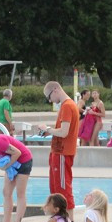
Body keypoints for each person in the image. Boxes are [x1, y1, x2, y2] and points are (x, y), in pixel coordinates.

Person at [38, 81, 80, 210]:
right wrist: (49, 132)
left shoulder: (67, 106)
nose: (50, 100)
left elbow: (64, 132)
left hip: (62, 153)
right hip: (60, 153)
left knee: (63, 190)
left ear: (55, 90)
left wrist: (48, 128)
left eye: (49, 97)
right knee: (57, 189)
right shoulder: (66, 105)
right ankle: (63, 221)